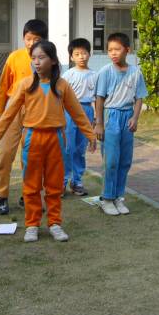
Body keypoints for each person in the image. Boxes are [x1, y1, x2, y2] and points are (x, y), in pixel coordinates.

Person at [0, 41, 95, 243]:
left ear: (53, 60)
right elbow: (9, 113)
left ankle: (54, 223)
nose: (36, 62)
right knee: (31, 185)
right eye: (33, 58)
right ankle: (32, 224)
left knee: (54, 185)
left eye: (41, 57)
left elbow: (77, 113)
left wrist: (90, 135)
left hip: (56, 139)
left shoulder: (62, 85)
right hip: (32, 138)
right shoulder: (25, 84)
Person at [0, 19, 48, 215]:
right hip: (13, 110)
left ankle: (29, 195)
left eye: (36, 39)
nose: (31, 43)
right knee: (6, 154)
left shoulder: (48, 59)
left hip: (35, 111)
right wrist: (0, 113)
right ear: (23, 38)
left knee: (31, 158)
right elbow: (3, 86)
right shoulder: (14, 57)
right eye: (28, 38)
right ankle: (1, 195)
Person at [94, 32, 146, 216]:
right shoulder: (105, 72)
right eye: (110, 50)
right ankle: (107, 198)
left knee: (125, 161)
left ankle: (118, 197)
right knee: (111, 160)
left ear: (127, 50)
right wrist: (99, 123)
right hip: (111, 116)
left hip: (127, 117)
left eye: (117, 49)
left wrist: (135, 118)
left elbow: (139, 97)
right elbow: (99, 99)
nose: (113, 53)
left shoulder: (136, 72)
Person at [62, 38, 97, 196]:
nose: (81, 57)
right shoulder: (68, 75)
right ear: (71, 57)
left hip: (87, 111)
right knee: (67, 148)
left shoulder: (95, 75)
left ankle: (77, 181)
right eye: (77, 54)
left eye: (84, 53)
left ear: (89, 54)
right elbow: (61, 97)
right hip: (69, 111)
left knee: (80, 149)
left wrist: (96, 117)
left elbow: (97, 98)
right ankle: (62, 181)